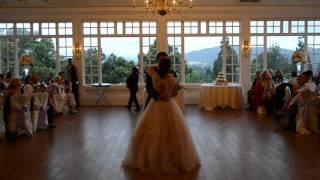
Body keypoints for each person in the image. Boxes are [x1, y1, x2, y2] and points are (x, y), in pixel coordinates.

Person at [123, 58, 200, 174]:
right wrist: (170, 93)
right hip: (169, 104)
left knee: (151, 129)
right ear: (169, 67)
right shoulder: (174, 79)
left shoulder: (155, 77)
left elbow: (154, 89)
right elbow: (174, 94)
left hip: (156, 104)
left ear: (160, 66)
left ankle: (150, 158)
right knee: (174, 132)